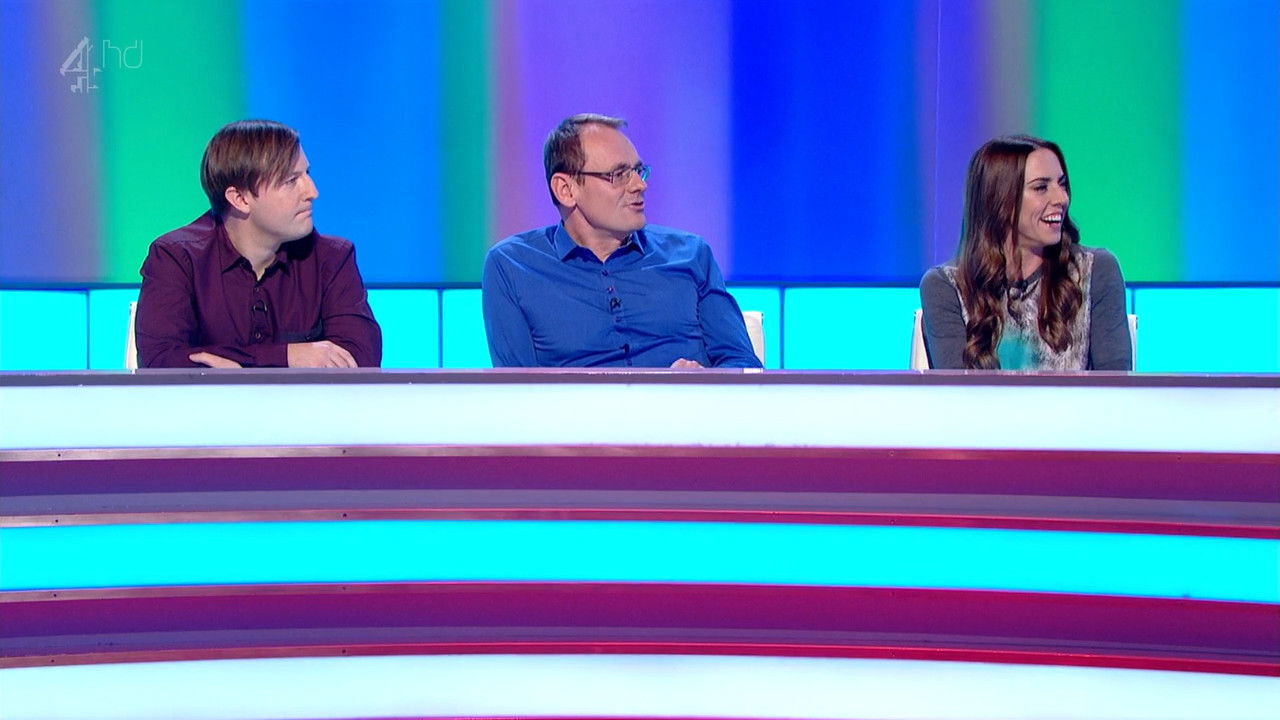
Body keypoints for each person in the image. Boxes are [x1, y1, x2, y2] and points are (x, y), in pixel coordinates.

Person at [482, 114, 761, 369]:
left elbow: (743, 364)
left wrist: (705, 381)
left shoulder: (691, 255)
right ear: (565, 190)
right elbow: (515, 390)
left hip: (685, 408)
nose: (640, 185)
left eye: (639, 171)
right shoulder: (512, 267)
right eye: (618, 175)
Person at [135, 119, 381, 368]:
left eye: (307, 174)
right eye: (290, 181)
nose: (312, 192)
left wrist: (237, 365)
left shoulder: (332, 258)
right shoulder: (176, 258)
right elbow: (161, 361)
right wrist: (287, 356)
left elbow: (360, 357)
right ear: (240, 199)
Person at [919, 135, 1131, 370]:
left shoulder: (1095, 270)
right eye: (1041, 187)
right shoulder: (945, 286)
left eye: (1062, 184)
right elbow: (954, 389)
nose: (1061, 198)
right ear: (999, 199)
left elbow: (1116, 385)